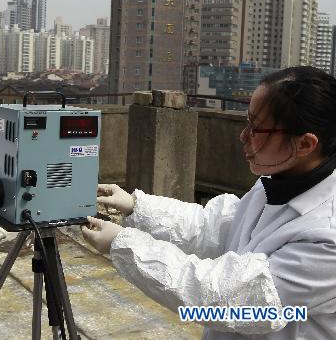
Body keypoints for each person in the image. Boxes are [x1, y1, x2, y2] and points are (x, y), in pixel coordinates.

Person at [82, 66, 336, 339]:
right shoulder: (277, 182)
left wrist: (124, 244)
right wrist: (136, 206)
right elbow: (213, 227)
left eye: (257, 128)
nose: (244, 136)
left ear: (305, 144)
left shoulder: (326, 237)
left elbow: (225, 298)